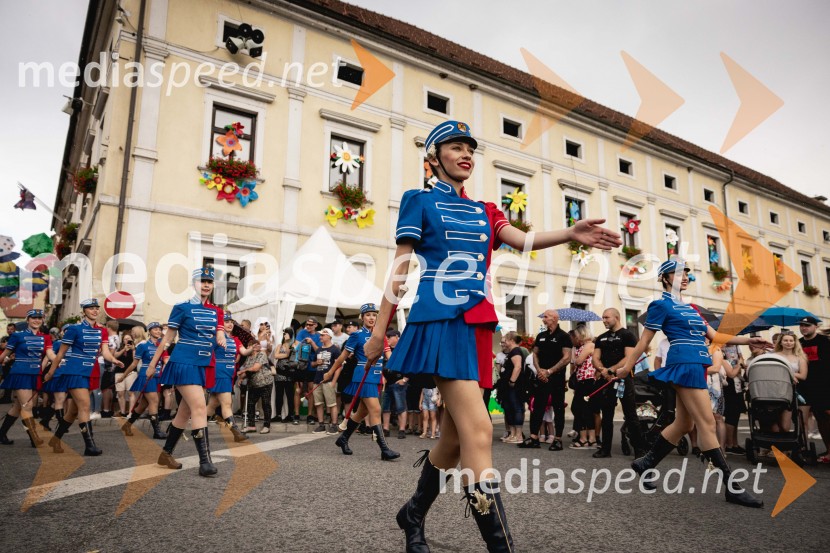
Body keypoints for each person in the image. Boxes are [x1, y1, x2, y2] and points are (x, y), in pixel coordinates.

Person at [363, 120, 621, 551]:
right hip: (439, 322)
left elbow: (522, 240)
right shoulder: (419, 201)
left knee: (453, 437)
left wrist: (570, 234)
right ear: (433, 157)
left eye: (470, 148)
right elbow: (400, 268)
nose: (465, 154)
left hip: (479, 325)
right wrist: (379, 330)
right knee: (480, 433)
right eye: (454, 147)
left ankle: (413, 513)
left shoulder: (486, 209)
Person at [623, 259, 770, 507]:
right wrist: (626, 367)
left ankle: (646, 462)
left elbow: (715, 336)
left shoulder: (692, 309)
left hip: (696, 363)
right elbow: (642, 342)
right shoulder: (660, 305)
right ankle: (731, 487)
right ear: (665, 278)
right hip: (684, 364)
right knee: (707, 424)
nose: (684, 278)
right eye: (678, 274)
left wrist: (748, 341)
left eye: (687, 275)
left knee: (684, 422)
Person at [146, 267, 226, 477]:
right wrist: (153, 364)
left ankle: (166, 453)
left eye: (209, 281)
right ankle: (205, 461)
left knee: (185, 412)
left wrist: (222, 336)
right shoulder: (181, 307)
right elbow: (167, 339)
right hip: (183, 362)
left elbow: (219, 329)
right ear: (194, 284)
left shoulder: (217, 311)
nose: (206, 284)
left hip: (203, 363)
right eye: (202, 281)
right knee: (200, 406)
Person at [44, 299, 123, 455]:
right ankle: (89, 445)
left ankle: (55, 440)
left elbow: (105, 351)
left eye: (96, 308)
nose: (94, 311)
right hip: (75, 370)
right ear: (84, 311)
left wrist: (114, 360)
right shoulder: (74, 329)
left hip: (91, 371)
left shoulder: (102, 331)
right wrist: (51, 372)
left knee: (73, 411)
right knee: (85, 406)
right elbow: (61, 353)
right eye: (91, 308)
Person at [325, 303, 397, 459]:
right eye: (368, 315)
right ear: (362, 317)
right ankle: (384, 450)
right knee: (376, 410)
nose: (371, 318)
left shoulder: (381, 335)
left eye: (374, 315)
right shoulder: (356, 336)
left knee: (361, 412)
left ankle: (343, 439)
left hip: (376, 377)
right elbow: (342, 358)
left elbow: (390, 357)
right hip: (363, 376)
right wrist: (330, 372)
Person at [592, 308, 648, 459]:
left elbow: (629, 358)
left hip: (623, 379)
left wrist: (611, 370)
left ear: (616, 317)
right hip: (606, 380)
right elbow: (595, 358)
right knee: (607, 415)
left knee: (630, 415)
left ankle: (639, 450)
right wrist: (602, 370)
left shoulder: (628, 335)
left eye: (606, 317)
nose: (603, 320)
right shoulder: (601, 338)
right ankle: (605, 449)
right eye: (602, 317)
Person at [0, 309, 55, 446]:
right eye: (33, 318)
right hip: (20, 373)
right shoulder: (18, 336)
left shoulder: (46, 337)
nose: (37, 320)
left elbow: (50, 354)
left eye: (39, 318)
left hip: (35, 374)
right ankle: (34, 437)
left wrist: (59, 360)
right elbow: (4, 354)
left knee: (19, 407)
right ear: (28, 320)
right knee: (28, 405)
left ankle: (1, 434)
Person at [518, 309, 571, 451]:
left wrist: (550, 371)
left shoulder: (564, 336)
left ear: (554, 318)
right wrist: (540, 370)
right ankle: (534, 437)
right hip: (542, 377)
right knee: (538, 407)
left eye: (546, 317)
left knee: (558, 408)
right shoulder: (541, 335)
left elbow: (567, 357)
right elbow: (535, 353)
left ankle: (558, 439)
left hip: (557, 378)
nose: (543, 319)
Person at [118, 322, 169, 439]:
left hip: (157, 376)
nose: (158, 331)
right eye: (155, 329)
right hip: (146, 376)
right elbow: (134, 363)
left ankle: (127, 425)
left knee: (143, 405)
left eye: (159, 329)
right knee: (154, 401)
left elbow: (166, 360)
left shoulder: (162, 345)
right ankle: (157, 431)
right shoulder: (143, 345)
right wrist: (124, 376)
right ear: (149, 331)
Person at [206, 314, 247, 441]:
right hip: (220, 373)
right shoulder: (216, 337)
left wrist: (253, 348)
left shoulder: (235, 339)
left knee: (212, 404)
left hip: (229, 374)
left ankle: (198, 429)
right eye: (226, 321)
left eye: (231, 322)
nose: (230, 324)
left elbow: (244, 352)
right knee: (227, 403)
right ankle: (236, 433)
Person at [798, 316, 830, 463]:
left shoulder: (824, 342)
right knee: (820, 420)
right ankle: (828, 449)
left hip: (824, 386)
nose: (804, 328)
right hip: (806, 387)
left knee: (827, 417)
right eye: (802, 325)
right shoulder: (799, 343)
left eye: (807, 325)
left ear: (815, 326)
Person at [567, 325, 599, 449]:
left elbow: (578, 361)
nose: (575, 338)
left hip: (587, 381)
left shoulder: (589, 345)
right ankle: (590, 439)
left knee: (579, 408)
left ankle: (584, 439)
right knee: (584, 410)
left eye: (577, 335)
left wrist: (574, 355)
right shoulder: (583, 346)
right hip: (583, 380)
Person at [772, 331, 808, 433]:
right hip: (776, 390)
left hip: (793, 391)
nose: (789, 343)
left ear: (795, 342)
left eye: (791, 340)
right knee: (777, 424)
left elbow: (803, 375)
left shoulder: (800, 357)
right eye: (786, 340)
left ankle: (796, 445)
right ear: (781, 342)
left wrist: (789, 374)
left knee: (789, 425)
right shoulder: (774, 355)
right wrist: (789, 374)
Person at [310, 328, 340, 434]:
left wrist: (333, 381)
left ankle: (334, 425)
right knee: (318, 403)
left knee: (332, 404)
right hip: (317, 380)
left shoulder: (335, 349)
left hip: (329, 381)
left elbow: (339, 367)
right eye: (320, 335)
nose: (320, 337)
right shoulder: (318, 350)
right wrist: (316, 363)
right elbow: (312, 364)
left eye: (322, 335)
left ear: (329, 336)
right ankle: (321, 425)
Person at [239, 342, 273, 434]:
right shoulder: (248, 358)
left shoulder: (262, 354)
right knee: (250, 404)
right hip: (253, 384)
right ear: (249, 347)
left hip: (265, 382)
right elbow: (245, 373)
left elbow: (255, 368)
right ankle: (251, 426)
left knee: (266, 403)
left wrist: (243, 371)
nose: (257, 346)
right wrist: (241, 378)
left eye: (258, 345)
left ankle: (267, 426)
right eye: (254, 345)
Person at [382, 328, 409, 439]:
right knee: (385, 407)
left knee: (400, 406)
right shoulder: (385, 351)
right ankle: (386, 429)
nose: (387, 339)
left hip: (399, 381)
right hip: (387, 382)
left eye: (389, 337)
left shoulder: (402, 350)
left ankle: (402, 429)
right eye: (386, 337)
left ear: (397, 337)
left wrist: (405, 379)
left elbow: (409, 364)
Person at [499, 331, 526, 444]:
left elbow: (518, 366)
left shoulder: (516, 351)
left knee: (516, 408)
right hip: (507, 386)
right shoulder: (511, 352)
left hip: (514, 386)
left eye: (506, 339)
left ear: (511, 340)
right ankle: (513, 433)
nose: (505, 342)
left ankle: (518, 435)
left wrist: (512, 381)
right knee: (509, 408)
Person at [294, 317, 322, 424]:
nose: (308, 326)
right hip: (300, 365)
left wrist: (312, 343)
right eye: (307, 324)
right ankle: (296, 415)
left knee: (311, 391)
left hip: (312, 366)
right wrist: (303, 343)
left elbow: (319, 351)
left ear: (315, 325)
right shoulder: (302, 332)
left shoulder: (318, 336)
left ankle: (310, 415)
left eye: (310, 325)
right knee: (298, 390)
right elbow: (296, 346)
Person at [271, 327, 297, 423]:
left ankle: (291, 414)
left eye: (287, 333)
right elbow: (276, 356)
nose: (285, 335)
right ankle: (278, 414)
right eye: (284, 333)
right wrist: (286, 355)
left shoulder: (294, 344)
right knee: (279, 394)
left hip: (289, 372)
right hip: (279, 373)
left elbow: (293, 356)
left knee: (290, 394)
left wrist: (287, 349)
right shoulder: (280, 345)